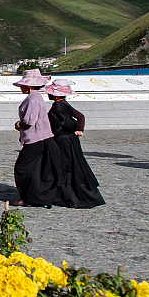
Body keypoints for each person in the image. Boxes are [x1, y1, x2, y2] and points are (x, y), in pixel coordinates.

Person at [44, 80, 105, 208]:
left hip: (63, 140)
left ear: (56, 95)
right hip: (71, 140)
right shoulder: (65, 104)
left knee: (65, 166)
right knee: (74, 165)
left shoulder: (57, 106)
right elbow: (81, 116)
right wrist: (80, 130)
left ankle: (68, 195)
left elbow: (57, 126)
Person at [10, 69, 64, 207]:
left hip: (35, 138)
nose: (21, 87)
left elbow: (29, 121)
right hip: (41, 137)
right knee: (36, 168)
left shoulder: (33, 99)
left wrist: (18, 125)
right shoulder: (36, 97)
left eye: (23, 85)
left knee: (22, 167)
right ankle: (37, 196)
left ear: (29, 86)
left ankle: (25, 196)